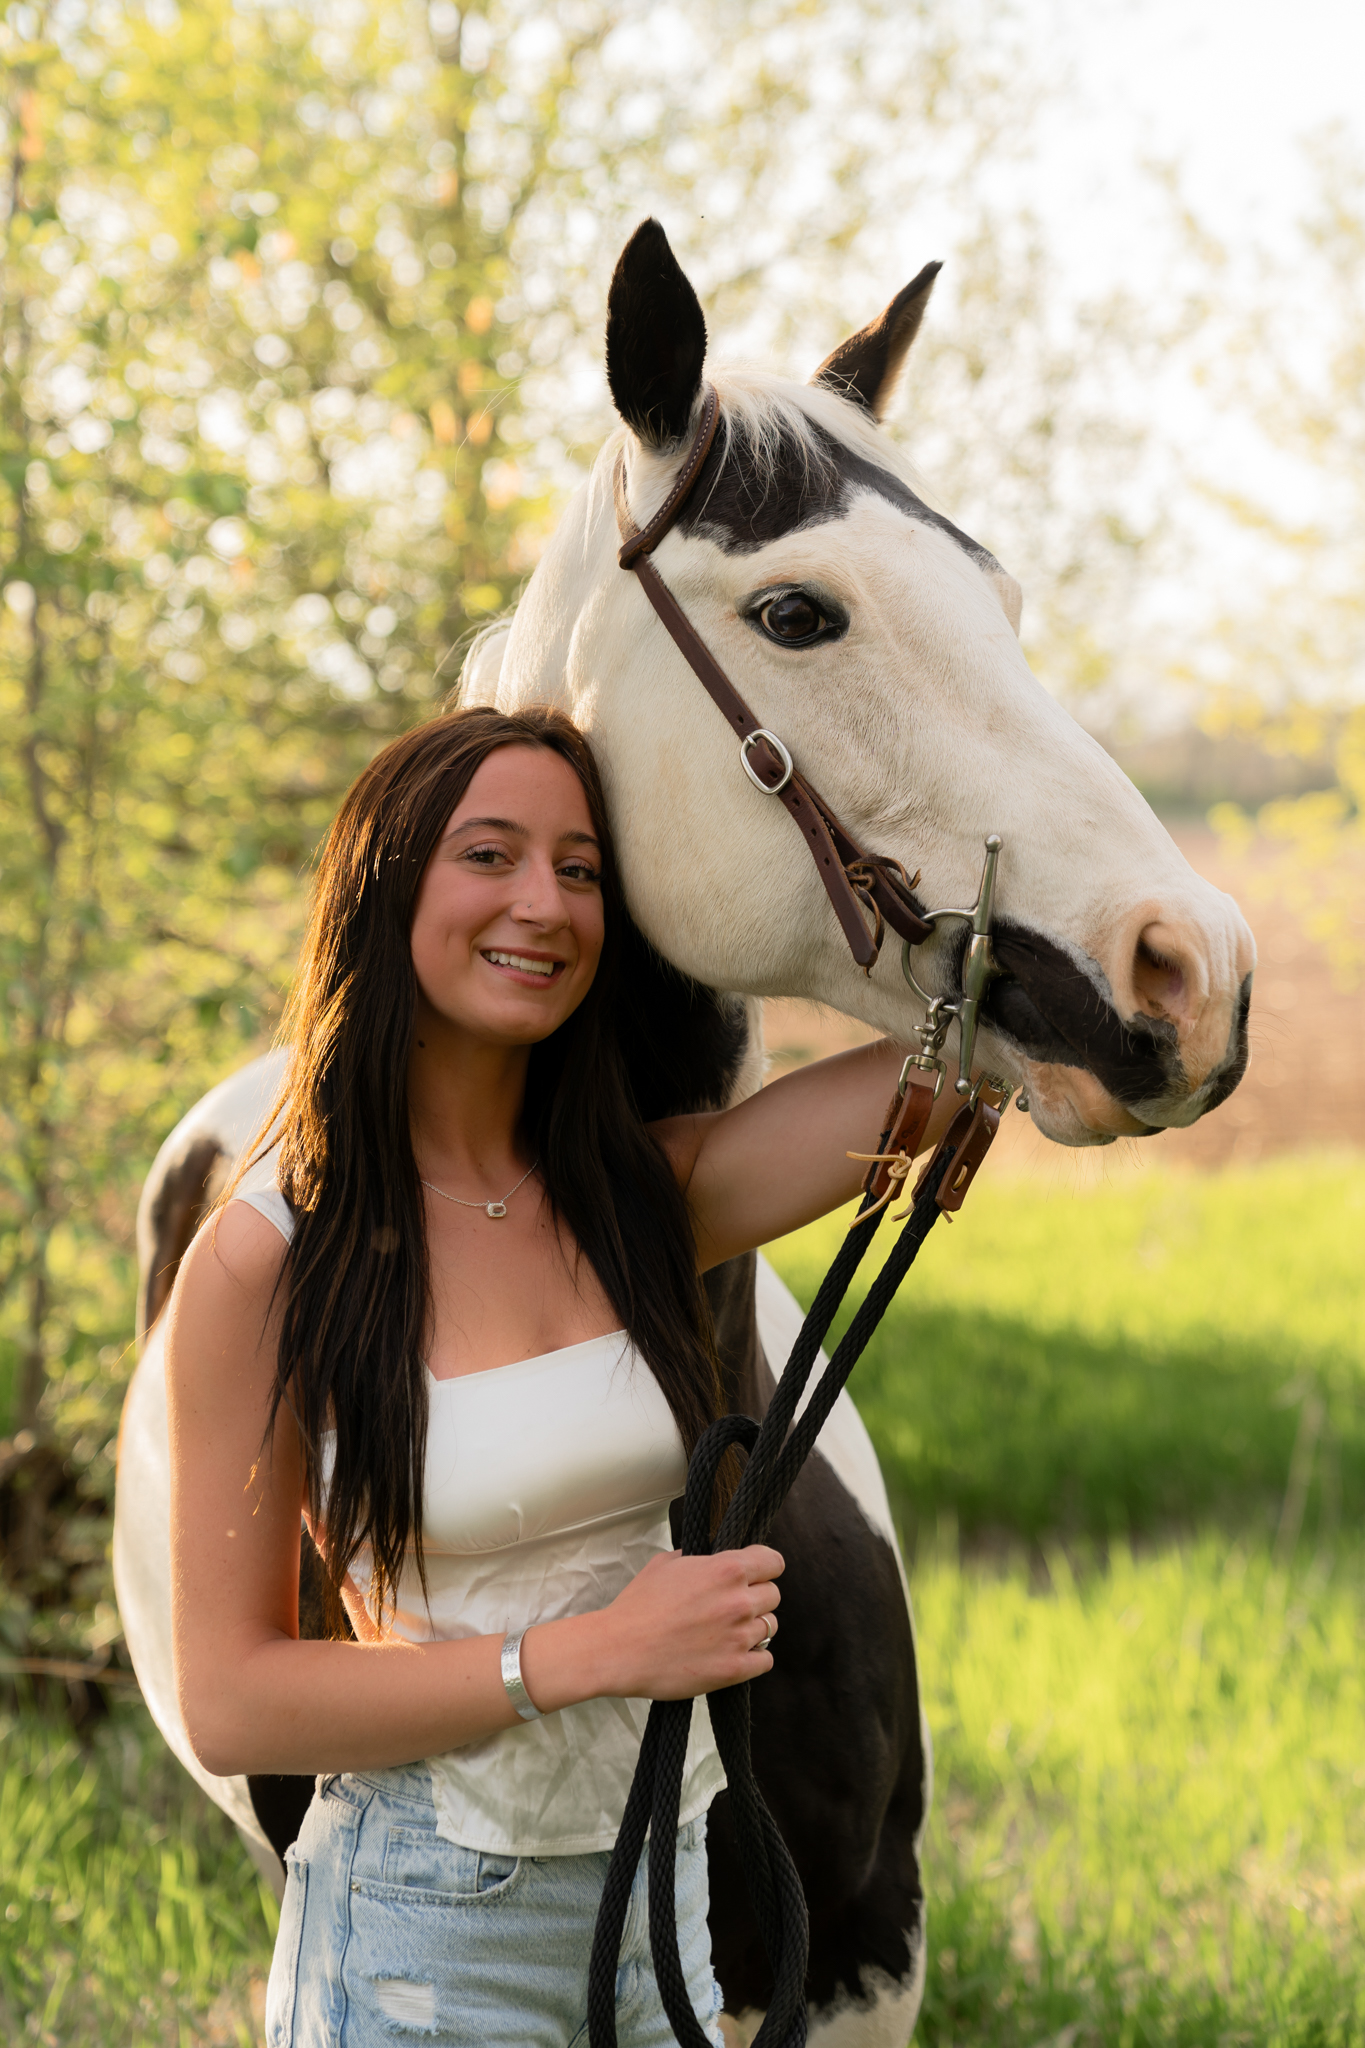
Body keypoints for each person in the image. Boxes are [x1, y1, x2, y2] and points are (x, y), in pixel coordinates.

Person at [166, 704, 956, 2048]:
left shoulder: (637, 1195)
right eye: (490, 855)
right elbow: (235, 1700)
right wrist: (593, 1655)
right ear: (383, 886)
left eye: (581, 870)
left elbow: (938, 1071)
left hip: (662, 1908)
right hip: (420, 1935)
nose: (542, 903)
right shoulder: (269, 1259)